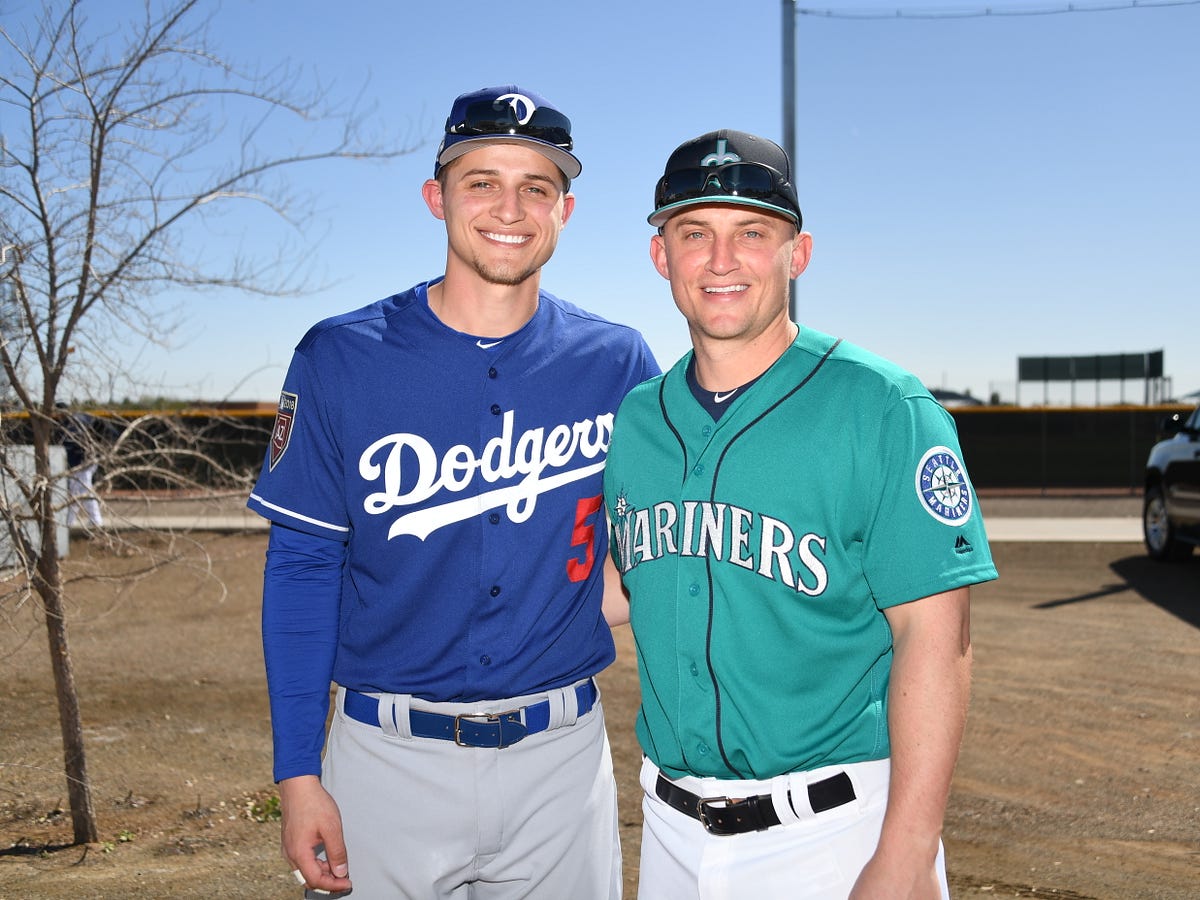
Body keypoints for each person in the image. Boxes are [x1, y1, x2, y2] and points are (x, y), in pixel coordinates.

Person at [246, 85, 658, 898]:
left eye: (537, 186)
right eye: (482, 182)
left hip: (561, 758)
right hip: (383, 759)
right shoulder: (341, 356)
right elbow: (301, 569)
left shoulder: (616, 363)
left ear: (564, 211)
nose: (510, 207)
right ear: (437, 198)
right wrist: (297, 774)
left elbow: (659, 547)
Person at [602, 130, 999, 899]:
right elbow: (623, 585)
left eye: (752, 232)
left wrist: (908, 852)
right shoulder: (639, 419)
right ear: (661, 256)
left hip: (832, 835)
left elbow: (935, 637)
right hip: (669, 831)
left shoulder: (884, 407)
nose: (721, 260)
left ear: (798, 253)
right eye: (695, 233)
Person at [57, 403, 104, 527]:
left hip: (84, 463)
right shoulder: (74, 420)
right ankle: (70, 522)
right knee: (75, 493)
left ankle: (95, 520)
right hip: (84, 462)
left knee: (84, 492)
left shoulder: (73, 424)